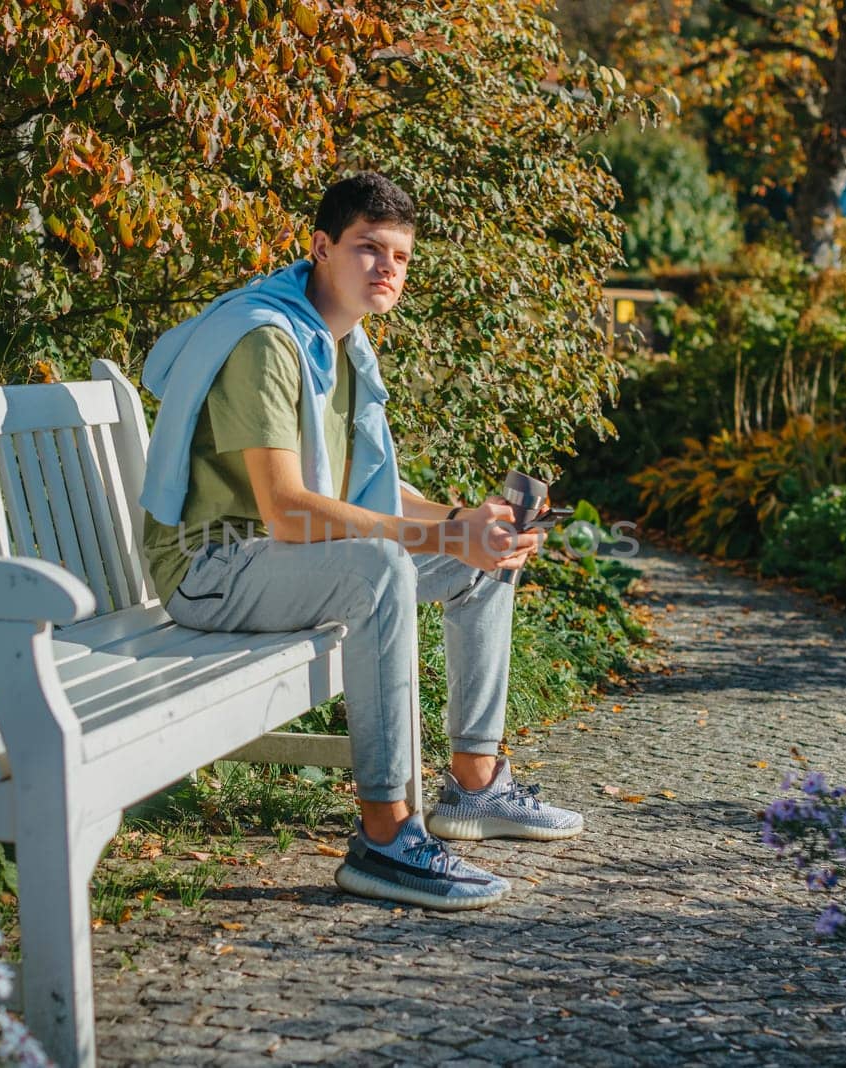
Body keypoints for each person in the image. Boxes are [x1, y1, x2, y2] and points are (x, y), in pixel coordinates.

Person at [137, 172, 583, 910]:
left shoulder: (341, 346)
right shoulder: (270, 342)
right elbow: (287, 511)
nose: (386, 269)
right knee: (382, 566)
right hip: (211, 568)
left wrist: (469, 525)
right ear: (321, 248)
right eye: (368, 248)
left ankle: (474, 786)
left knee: (488, 554)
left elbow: (369, 498)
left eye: (400, 257)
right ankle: (386, 836)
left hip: (285, 565)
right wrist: (438, 531)